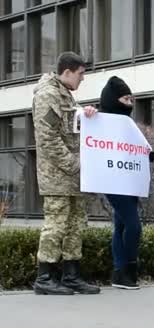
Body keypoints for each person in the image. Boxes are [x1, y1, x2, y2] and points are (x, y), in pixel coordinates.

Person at [32, 52, 100, 295]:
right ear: (68, 71)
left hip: (72, 175)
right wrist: (75, 164)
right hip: (57, 175)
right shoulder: (48, 95)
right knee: (56, 225)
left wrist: (87, 115)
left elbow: (72, 129)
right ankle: (45, 278)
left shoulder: (67, 97)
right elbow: (48, 139)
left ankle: (71, 275)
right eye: (81, 74)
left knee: (75, 225)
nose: (83, 79)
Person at [99, 76, 154, 289]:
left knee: (121, 225)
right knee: (133, 225)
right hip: (113, 180)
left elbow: (135, 147)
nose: (130, 103)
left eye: (131, 99)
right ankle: (129, 267)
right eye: (125, 99)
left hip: (129, 179)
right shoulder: (100, 120)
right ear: (114, 100)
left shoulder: (128, 125)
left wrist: (147, 153)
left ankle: (119, 272)